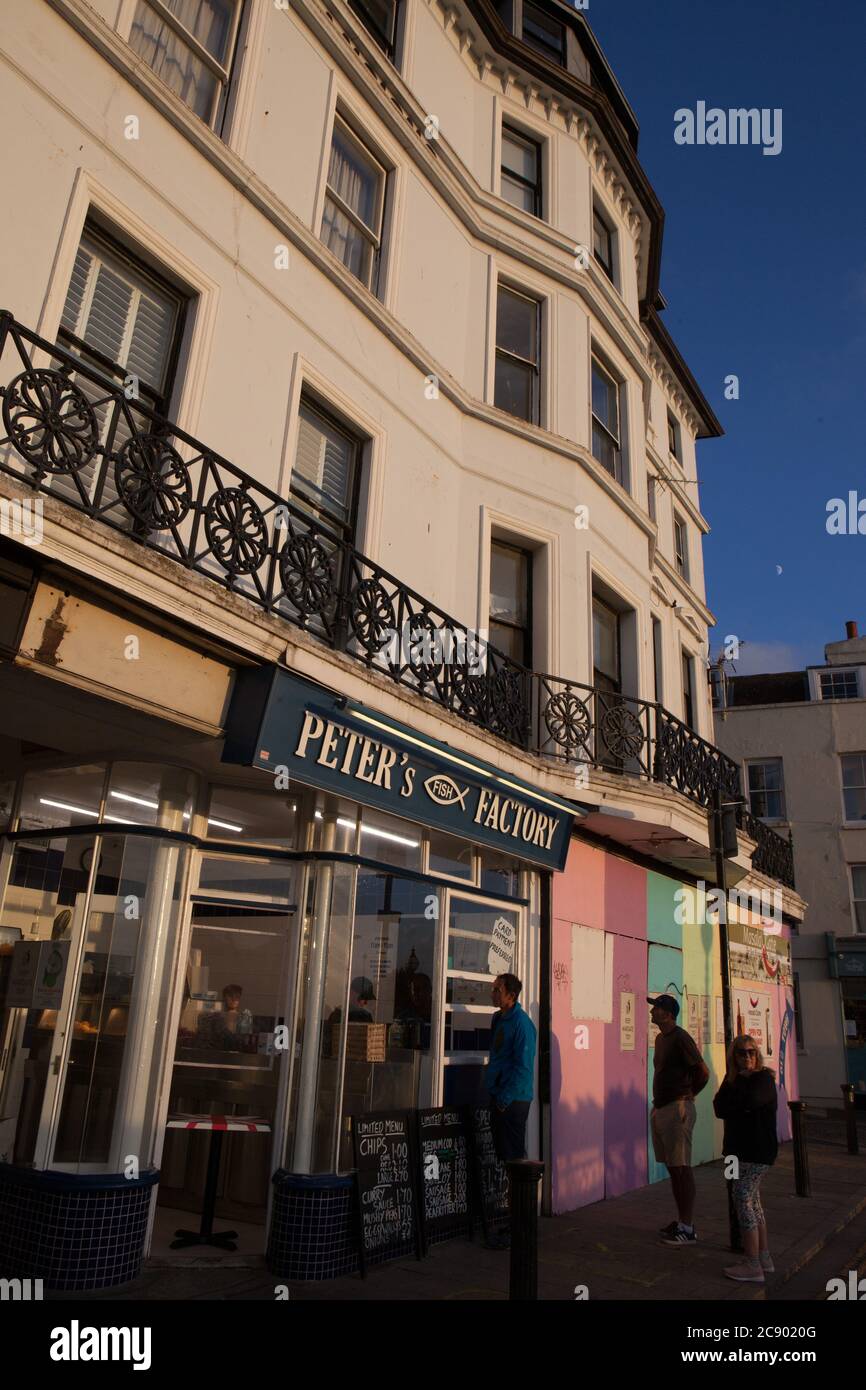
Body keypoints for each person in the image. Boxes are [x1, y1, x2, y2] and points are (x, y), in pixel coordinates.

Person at [713, 1034, 778, 1283]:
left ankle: (753, 1264)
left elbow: (752, 1101)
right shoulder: (732, 1080)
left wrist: (736, 1101)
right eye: (741, 1052)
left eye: (751, 1052)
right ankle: (763, 1257)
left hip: (757, 1152)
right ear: (734, 1056)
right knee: (749, 1199)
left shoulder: (763, 1078)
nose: (747, 1056)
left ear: (757, 1054)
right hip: (732, 1153)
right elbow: (719, 1108)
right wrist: (737, 1099)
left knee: (743, 1199)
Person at [648, 993, 710, 1246]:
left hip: (678, 1109)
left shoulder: (681, 1038)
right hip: (662, 1108)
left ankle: (688, 1227)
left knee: (682, 1168)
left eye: (657, 1008)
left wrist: (688, 1095)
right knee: (674, 1168)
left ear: (668, 1013)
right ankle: (681, 1221)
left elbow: (702, 1072)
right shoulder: (661, 1039)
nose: (652, 1012)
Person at [485, 972, 537, 1249]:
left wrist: (504, 1098)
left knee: (515, 1160)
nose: (493, 993)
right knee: (506, 1158)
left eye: (497, 990)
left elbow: (523, 1067)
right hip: (499, 1096)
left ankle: (520, 1224)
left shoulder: (522, 1024)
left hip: (513, 1101)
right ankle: (513, 1221)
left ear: (511, 995)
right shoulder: (498, 1019)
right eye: (493, 989)